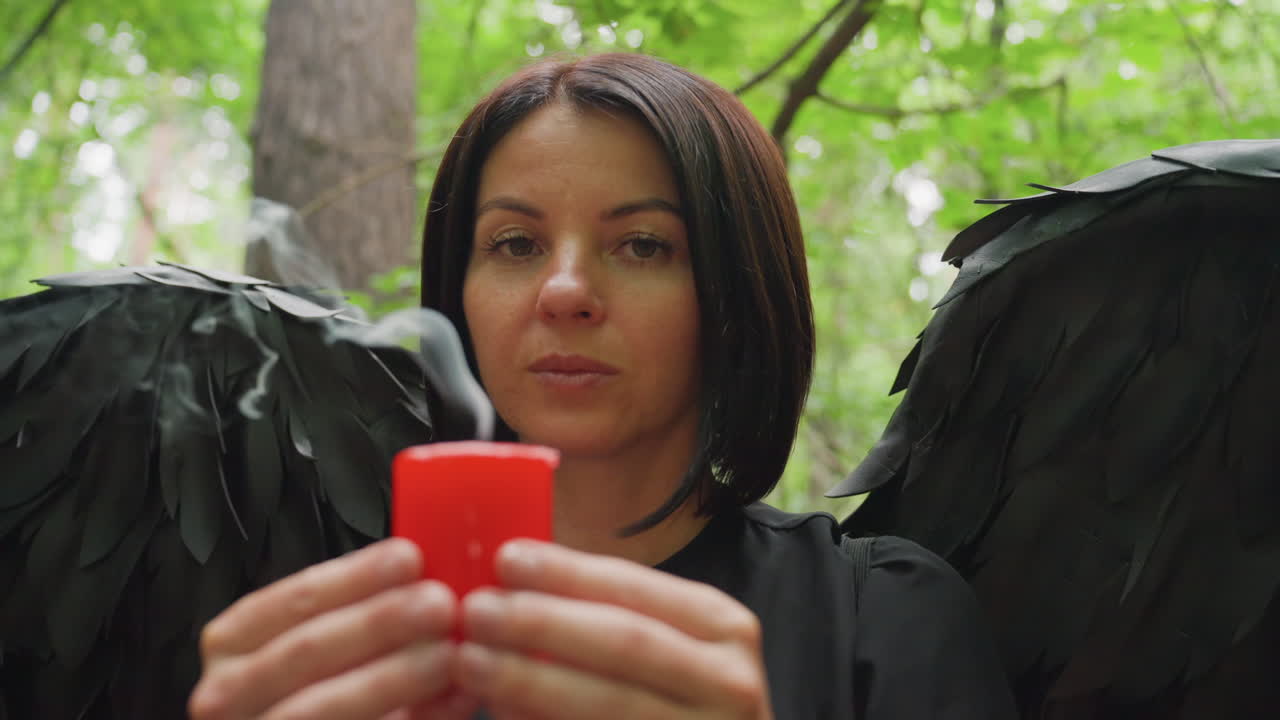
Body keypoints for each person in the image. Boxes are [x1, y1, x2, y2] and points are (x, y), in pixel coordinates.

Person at [188, 53, 1016, 720]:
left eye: (644, 245)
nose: (564, 291)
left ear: (735, 296)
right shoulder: (339, 631)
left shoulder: (883, 621)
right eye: (515, 244)